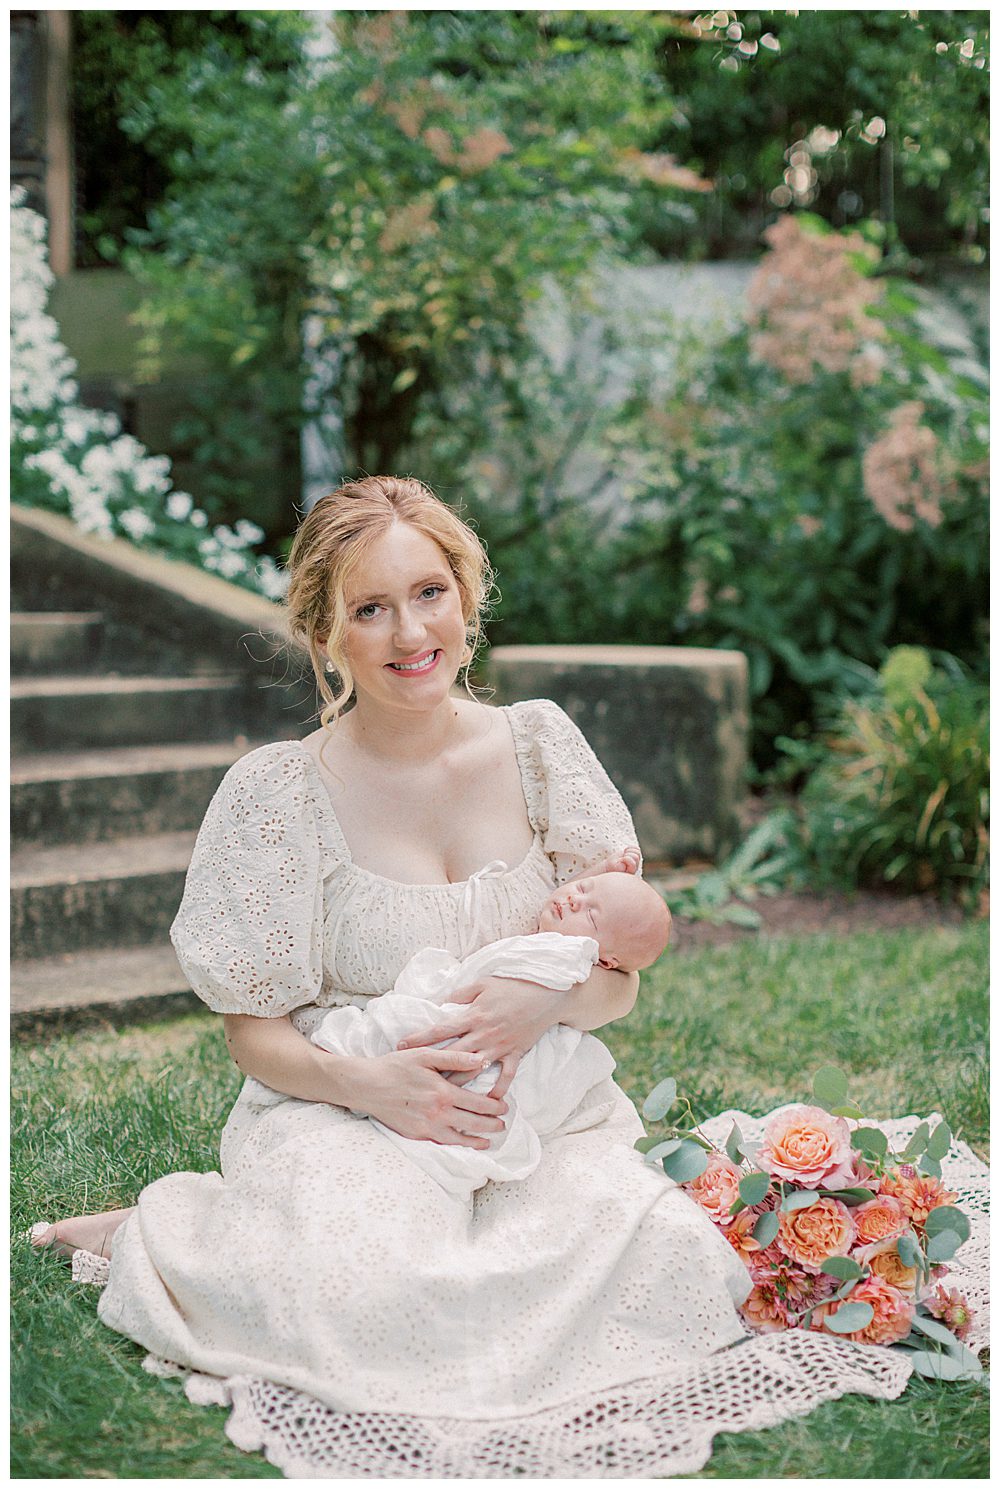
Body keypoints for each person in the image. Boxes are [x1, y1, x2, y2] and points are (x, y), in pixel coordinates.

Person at [29, 477, 922, 1479]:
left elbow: (617, 980)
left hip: (536, 1108)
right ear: (325, 632)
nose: (410, 631)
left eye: (428, 592)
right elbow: (253, 1031)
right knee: (379, 1289)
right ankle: (180, 1231)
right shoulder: (279, 793)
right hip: (344, 1105)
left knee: (668, 1256)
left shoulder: (538, 746)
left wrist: (547, 994)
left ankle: (269, 1240)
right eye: (368, 608)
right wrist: (374, 1085)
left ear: (465, 594)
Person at [307, 867, 672, 1199]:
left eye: (590, 914)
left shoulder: (569, 955)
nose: (574, 899)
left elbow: (613, 983)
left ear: (604, 961)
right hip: (358, 1080)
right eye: (581, 886)